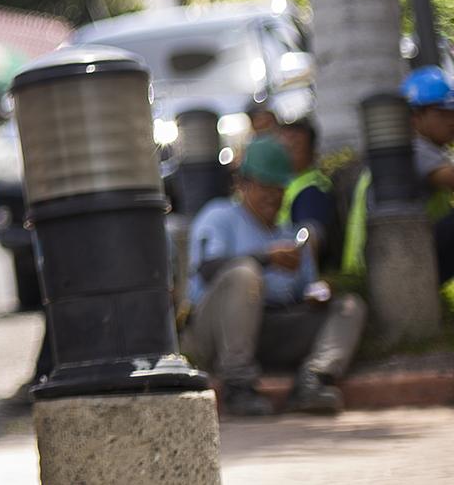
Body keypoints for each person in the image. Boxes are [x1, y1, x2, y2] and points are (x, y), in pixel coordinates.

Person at [182, 136, 366, 417]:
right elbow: (207, 270)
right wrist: (267, 257)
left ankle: (314, 380)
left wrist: (319, 294)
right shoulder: (219, 215)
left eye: (279, 187)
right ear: (243, 184)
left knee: (350, 306)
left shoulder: (289, 235)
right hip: (213, 332)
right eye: (264, 185)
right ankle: (237, 386)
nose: (272, 194)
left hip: (270, 330)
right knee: (245, 273)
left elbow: (306, 290)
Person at [402, 66, 454, 282]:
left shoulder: (429, 148)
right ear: (415, 117)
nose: (452, 120)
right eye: (442, 112)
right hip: (400, 260)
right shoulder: (414, 148)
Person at [273, 113, 340, 273]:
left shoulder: (312, 190)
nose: (287, 153)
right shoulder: (284, 182)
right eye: (283, 147)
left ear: (312, 151)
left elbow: (310, 241)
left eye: (294, 146)